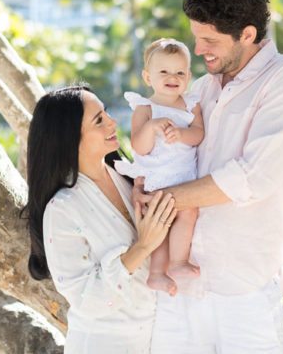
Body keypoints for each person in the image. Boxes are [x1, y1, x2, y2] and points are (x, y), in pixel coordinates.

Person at [146, 0, 283, 353]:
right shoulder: (202, 87)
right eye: (196, 37)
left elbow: (253, 176)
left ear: (247, 34)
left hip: (243, 282)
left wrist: (163, 199)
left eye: (209, 40)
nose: (197, 50)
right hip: (181, 284)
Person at [23, 85, 177, 354]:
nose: (113, 122)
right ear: (69, 137)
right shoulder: (62, 209)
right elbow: (86, 299)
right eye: (99, 120)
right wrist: (141, 248)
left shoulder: (129, 177)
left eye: (105, 113)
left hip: (158, 337)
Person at [114, 38, 205, 297]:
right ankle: (156, 273)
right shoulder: (145, 108)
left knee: (188, 215)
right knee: (161, 224)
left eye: (179, 72)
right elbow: (139, 147)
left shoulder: (191, 104)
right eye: (163, 71)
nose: (172, 77)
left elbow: (198, 134)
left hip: (184, 176)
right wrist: (152, 127)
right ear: (147, 76)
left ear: (187, 77)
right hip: (157, 176)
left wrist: (182, 134)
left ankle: (178, 262)